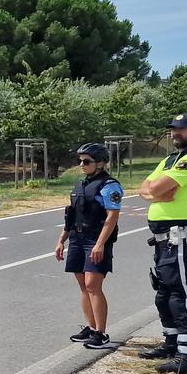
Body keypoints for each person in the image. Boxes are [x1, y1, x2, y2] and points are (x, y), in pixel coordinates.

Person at [136, 113, 187, 374]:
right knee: (165, 293)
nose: (174, 133)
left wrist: (157, 191)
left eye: (181, 129)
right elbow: (145, 188)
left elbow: (156, 189)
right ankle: (172, 343)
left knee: (184, 295)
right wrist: (156, 192)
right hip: (164, 238)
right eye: (173, 129)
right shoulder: (171, 160)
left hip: (182, 235)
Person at [55, 143, 123, 350]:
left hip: (95, 239)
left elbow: (112, 218)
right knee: (83, 285)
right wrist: (62, 239)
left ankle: (101, 333)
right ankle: (91, 327)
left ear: (101, 163)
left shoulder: (109, 185)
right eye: (80, 161)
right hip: (77, 238)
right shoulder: (81, 185)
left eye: (87, 161)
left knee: (94, 285)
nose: (82, 165)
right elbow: (71, 215)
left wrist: (100, 244)